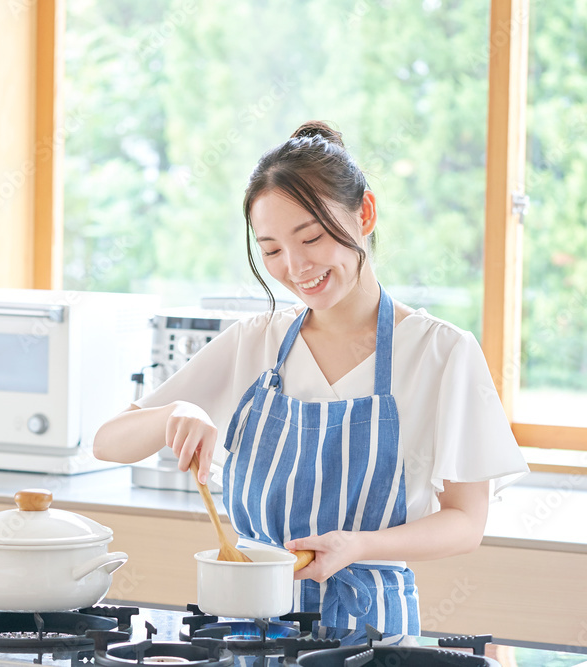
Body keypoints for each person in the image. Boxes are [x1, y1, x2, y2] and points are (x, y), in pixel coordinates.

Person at [93, 120, 528, 635]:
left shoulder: (442, 352)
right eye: (272, 249)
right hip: (249, 625)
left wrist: (360, 546)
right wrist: (174, 414)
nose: (296, 267)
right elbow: (108, 443)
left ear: (364, 213)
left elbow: (465, 523)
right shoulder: (254, 342)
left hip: (372, 635)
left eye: (312, 237)